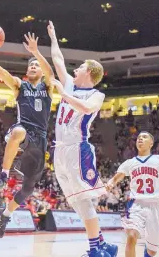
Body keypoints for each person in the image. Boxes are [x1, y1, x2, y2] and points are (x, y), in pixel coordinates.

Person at [47, 21, 117, 257]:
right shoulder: (70, 85)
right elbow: (58, 61)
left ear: (89, 72)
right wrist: (54, 37)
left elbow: (86, 109)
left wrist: (64, 94)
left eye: (79, 68)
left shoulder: (97, 94)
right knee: (76, 201)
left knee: (84, 199)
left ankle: (96, 249)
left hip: (78, 149)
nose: (74, 70)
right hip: (60, 150)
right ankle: (102, 244)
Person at [0, 31, 54, 238]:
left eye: (36, 65)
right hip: (24, 131)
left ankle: (6, 215)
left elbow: (50, 72)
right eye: (31, 65)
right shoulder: (20, 85)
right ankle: (3, 174)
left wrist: (36, 52)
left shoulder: (48, 87)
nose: (33, 66)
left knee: (28, 188)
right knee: (17, 131)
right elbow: (0, 71)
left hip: (41, 139)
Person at [106, 131, 159, 257]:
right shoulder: (130, 163)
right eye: (138, 138)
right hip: (137, 204)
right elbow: (115, 178)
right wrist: (109, 184)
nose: (140, 139)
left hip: (156, 206)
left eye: (144, 137)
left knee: (151, 251)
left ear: (151, 143)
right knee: (131, 237)